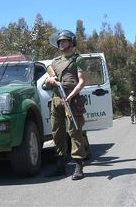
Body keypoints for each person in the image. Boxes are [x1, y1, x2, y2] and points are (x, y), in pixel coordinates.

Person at [44, 30, 88, 180]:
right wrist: (50, 81)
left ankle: (78, 167)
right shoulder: (54, 62)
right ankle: (60, 166)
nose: (61, 43)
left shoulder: (78, 60)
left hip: (72, 99)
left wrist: (70, 96)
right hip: (56, 100)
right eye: (59, 41)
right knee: (57, 133)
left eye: (64, 41)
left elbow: (82, 81)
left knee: (75, 132)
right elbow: (46, 83)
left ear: (71, 42)